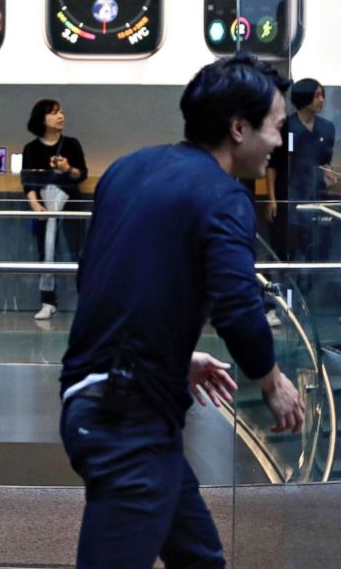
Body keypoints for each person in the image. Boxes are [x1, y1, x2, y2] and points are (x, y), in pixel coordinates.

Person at [59, 53, 305, 568]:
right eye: (276, 128)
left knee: (198, 557)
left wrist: (174, 352)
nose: (280, 143)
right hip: (127, 419)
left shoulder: (128, 169)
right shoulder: (224, 196)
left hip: (105, 400)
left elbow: (101, 281)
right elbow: (238, 305)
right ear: (239, 128)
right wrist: (271, 380)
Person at [265, 78, 334, 298]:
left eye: (323, 94)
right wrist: (272, 198)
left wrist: (327, 174)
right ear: (304, 98)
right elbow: (273, 166)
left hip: (314, 197)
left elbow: (323, 163)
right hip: (289, 197)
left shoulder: (326, 128)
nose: (321, 100)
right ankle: (272, 300)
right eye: (316, 95)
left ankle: (304, 295)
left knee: (315, 248)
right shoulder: (286, 126)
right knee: (283, 250)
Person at [21, 99, 87, 320]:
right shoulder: (30, 149)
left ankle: (85, 300)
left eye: (61, 112)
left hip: (70, 207)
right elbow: (28, 183)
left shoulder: (72, 144)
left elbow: (82, 175)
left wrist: (68, 168)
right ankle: (48, 300)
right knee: (45, 252)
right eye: (54, 113)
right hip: (44, 210)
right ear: (42, 119)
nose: (61, 117)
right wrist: (36, 206)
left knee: (78, 252)